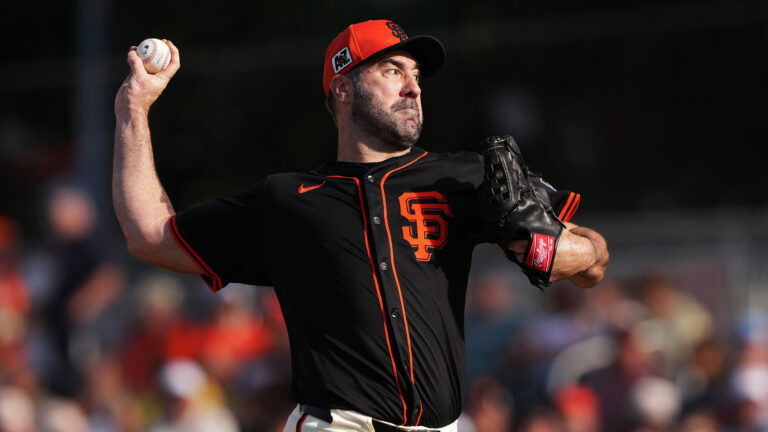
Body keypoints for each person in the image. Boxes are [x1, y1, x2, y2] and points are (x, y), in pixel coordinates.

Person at [113, 19, 609, 432]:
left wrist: (555, 249)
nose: (413, 86)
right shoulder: (287, 200)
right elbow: (150, 235)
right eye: (392, 70)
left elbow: (593, 258)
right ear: (344, 87)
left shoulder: (464, 176)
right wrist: (134, 109)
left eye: (414, 74)